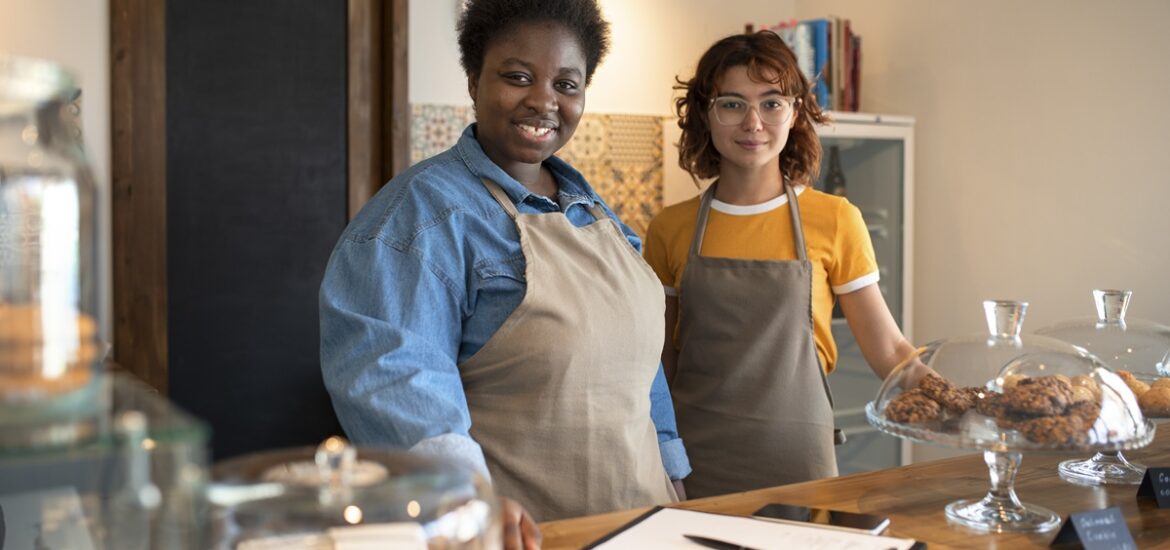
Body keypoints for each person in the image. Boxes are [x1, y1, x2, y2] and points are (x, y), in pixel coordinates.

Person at [318, 0, 690, 540]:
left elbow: (640, 368)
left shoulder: (594, 210)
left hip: (644, 526)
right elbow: (394, 374)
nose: (543, 100)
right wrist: (466, 498)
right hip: (520, 535)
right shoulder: (420, 217)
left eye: (567, 84)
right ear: (473, 81)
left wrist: (675, 478)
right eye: (518, 77)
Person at [642, 31, 916, 499]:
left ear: (795, 112)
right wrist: (660, 460)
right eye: (732, 104)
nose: (754, 122)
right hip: (695, 461)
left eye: (771, 103)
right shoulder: (671, 228)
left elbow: (890, 352)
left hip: (799, 460)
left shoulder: (836, 219)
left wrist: (965, 402)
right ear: (705, 114)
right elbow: (658, 365)